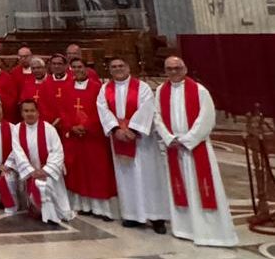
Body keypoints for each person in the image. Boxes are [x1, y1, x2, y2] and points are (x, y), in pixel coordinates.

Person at [153, 57, 238, 246]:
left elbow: (206, 117)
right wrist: (169, 138)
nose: (173, 72)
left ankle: (211, 232)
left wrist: (188, 139)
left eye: (177, 68)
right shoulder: (161, 91)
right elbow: (157, 116)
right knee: (180, 187)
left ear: (185, 69)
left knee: (203, 189)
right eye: (169, 69)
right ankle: (185, 228)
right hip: (174, 147)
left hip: (195, 146)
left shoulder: (199, 90)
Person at [96, 58, 170, 234]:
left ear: (128, 67)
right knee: (126, 177)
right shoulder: (105, 89)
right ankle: (132, 215)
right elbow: (102, 109)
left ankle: (156, 216)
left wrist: (133, 130)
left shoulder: (142, 87)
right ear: (110, 70)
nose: (118, 69)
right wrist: (116, 129)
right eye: (114, 67)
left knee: (149, 177)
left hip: (142, 142)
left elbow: (147, 108)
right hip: (119, 139)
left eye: (121, 66)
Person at [58, 59, 117, 221]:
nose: (77, 70)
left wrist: (87, 126)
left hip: (93, 137)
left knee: (97, 171)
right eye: (74, 67)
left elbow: (102, 110)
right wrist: (71, 126)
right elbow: (63, 111)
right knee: (78, 172)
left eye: (80, 67)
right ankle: (83, 205)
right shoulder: (67, 88)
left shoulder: (97, 88)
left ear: (86, 69)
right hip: (75, 138)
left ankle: (102, 209)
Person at [11, 99, 74, 225]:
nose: (29, 114)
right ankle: (36, 208)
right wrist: (31, 171)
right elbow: (18, 153)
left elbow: (57, 152)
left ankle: (52, 213)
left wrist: (45, 170)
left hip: (47, 172)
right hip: (30, 173)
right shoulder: (17, 129)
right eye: (26, 111)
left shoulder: (49, 129)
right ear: (22, 113)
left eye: (32, 110)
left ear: (38, 112)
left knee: (47, 186)